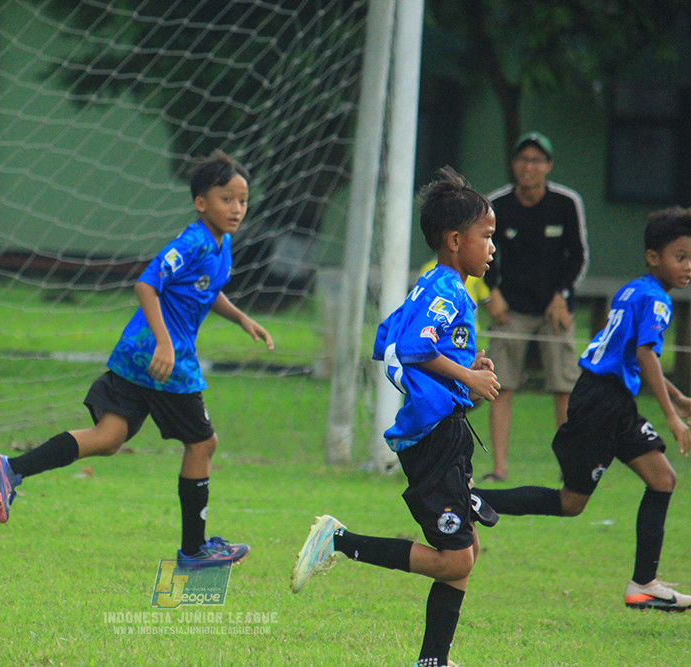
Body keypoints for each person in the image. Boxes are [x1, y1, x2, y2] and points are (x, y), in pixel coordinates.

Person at [0, 150, 274, 567]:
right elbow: (146, 284)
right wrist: (165, 342)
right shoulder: (191, 241)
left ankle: (12, 469)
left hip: (136, 355)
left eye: (243, 200)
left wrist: (241, 318)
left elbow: (206, 291)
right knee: (203, 443)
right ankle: (194, 550)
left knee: (108, 438)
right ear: (200, 202)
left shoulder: (221, 244)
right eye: (227, 198)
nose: (237, 208)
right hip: (163, 361)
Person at [291, 167, 501, 667]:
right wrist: (466, 379)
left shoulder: (432, 283)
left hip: (438, 431)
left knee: (464, 553)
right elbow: (409, 347)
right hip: (434, 438)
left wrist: (460, 370)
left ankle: (433, 659)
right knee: (455, 558)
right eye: (487, 237)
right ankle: (338, 542)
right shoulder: (448, 291)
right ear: (455, 240)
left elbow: (387, 340)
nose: (492, 247)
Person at [473, 207, 691, 612]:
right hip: (603, 403)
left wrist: (676, 397)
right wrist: (673, 417)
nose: (688, 267)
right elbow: (644, 354)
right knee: (571, 503)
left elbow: (629, 356)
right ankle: (471, 499)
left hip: (606, 397)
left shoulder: (635, 289)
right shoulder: (657, 300)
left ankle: (644, 584)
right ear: (653, 257)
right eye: (680, 257)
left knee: (662, 479)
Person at [482, 131, 588, 482]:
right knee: (500, 385)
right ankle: (499, 468)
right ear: (514, 165)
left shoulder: (566, 203)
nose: (529, 167)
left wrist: (564, 295)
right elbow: (481, 253)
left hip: (552, 308)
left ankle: (571, 468)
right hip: (510, 308)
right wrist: (490, 292)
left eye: (537, 160)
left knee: (564, 387)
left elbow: (579, 255)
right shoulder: (497, 204)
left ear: (548, 166)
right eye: (523, 160)